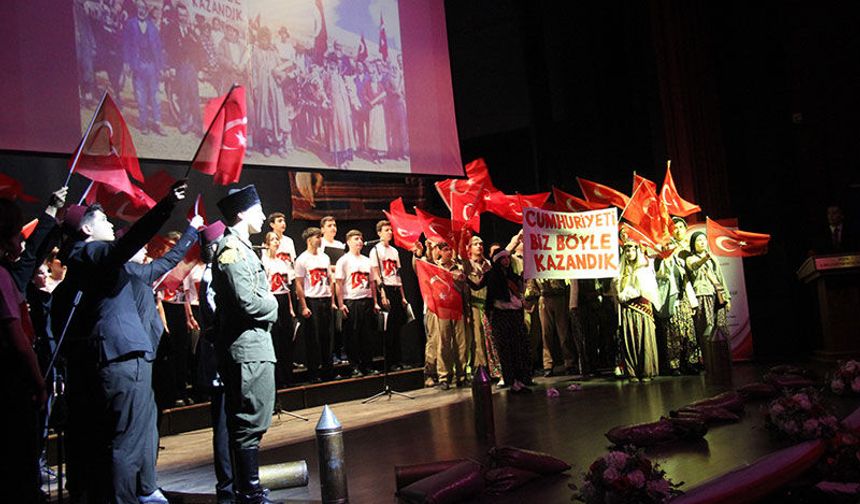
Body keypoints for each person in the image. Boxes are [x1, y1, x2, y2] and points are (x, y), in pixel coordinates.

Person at [51, 180, 187, 503]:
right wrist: (165, 206)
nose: (111, 224)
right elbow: (125, 247)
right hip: (123, 359)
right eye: (103, 221)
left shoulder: (86, 263)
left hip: (114, 358)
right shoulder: (92, 253)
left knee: (125, 439)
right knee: (125, 443)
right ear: (85, 229)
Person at [125, 213, 202, 503]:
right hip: (140, 357)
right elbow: (169, 262)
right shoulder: (132, 271)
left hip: (152, 353)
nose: (148, 249)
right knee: (135, 429)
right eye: (142, 246)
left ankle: (147, 482)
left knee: (149, 423)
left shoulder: (139, 271)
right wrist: (191, 230)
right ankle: (133, 490)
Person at [211, 185, 278, 503]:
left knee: (255, 417)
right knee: (249, 419)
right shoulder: (232, 250)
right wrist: (274, 305)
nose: (264, 216)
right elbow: (247, 303)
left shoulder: (243, 248)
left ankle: (249, 489)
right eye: (258, 209)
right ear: (241, 213)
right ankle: (248, 492)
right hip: (247, 347)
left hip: (254, 345)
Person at [0, 197, 48, 502]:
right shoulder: (2, 276)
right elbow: (15, 335)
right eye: (18, 233)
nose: (21, 240)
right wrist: (38, 382)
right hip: (10, 383)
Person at [196, 221, 234, 504]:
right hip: (220, 359)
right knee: (223, 423)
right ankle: (228, 485)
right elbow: (219, 317)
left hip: (226, 356)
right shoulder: (212, 276)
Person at [655, 217, 700, 375]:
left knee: (689, 331)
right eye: (675, 227)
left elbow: (688, 276)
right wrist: (664, 256)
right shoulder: (663, 255)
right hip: (671, 297)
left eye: (681, 226)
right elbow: (659, 274)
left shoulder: (686, 252)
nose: (678, 229)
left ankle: (691, 362)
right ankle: (675, 364)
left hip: (685, 297)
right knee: (673, 333)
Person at [483, 248, 532, 393]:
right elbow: (479, 286)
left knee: (519, 348)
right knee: (506, 350)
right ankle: (511, 381)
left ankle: (522, 379)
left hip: (515, 315)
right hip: (501, 315)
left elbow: (520, 293)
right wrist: (464, 279)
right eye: (503, 258)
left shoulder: (513, 276)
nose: (506, 261)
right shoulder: (492, 276)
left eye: (507, 258)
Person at [614, 240, 661, 382]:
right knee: (629, 339)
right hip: (627, 310)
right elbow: (616, 290)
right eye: (627, 250)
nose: (629, 253)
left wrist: (623, 295)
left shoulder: (643, 269)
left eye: (632, 250)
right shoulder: (620, 270)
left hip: (641, 308)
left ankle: (646, 370)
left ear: (637, 251)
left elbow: (642, 290)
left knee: (643, 338)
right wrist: (616, 287)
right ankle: (632, 371)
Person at [335, 230, 380, 376]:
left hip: (366, 301)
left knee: (367, 335)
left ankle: (367, 365)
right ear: (348, 242)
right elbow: (339, 284)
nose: (360, 241)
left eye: (361, 239)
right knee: (352, 336)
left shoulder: (367, 260)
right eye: (356, 239)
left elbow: (372, 284)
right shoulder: (344, 260)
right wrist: (341, 304)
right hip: (352, 302)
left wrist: (375, 302)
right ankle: (354, 366)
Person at [294, 227, 336, 383]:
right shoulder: (302, 259)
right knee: (313, 339)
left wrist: (332, 301)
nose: (319, 239)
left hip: (325, 299)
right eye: (317, 237)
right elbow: (298, 284)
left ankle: (328, 371)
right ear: (309, 239)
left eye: (320, 236)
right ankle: (313, 373)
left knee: (327, 337)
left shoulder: (325, 257)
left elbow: (330, 279)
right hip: (312, 300)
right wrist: (304, 305)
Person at [369, 220, 408, 371]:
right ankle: (390, 362)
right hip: (385, 289)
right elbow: (376, 275)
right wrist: (382, 294)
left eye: (390, 230)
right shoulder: (376, 251)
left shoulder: (394, 251)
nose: (390, 233)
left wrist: (403, 296)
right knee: (388, 328)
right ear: (379, 233)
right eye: (386, 230)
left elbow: (398, 276)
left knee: (397, 326)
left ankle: (398, 360)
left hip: (396, 288)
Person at [686, 231, 731, 360]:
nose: (702, 242)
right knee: (707, 328)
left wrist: (727, 297)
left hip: (717, 294)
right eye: (698, 240)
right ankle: (709, 360)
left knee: (720, 327)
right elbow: (694, 267)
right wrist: (705, 258)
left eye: (703, 240)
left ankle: (721, 358)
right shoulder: (690, 258)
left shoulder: (713, 258)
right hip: (703, 294)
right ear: (693, 245)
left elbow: (720, 278)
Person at [123, 0, 166, 135]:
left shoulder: (152, 26)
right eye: (140, 7)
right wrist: (126, 62)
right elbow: (126, 44)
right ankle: (143, 123)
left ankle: (157, 123)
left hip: (152, 66)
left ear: (147, 10)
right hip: (138, 65)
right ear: (137, 8)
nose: (142, 10)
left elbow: (158, 48)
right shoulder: (130, 24)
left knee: (155, 96)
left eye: (144, 8)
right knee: (141, 95)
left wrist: (161, 66)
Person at [261, 231, 295, 387]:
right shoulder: (264, 262)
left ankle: (288, 376)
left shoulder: (282, 263)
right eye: (272, 239)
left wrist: (290, 308)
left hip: (282, 299)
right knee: (275, 339)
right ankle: (277, 378)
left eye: (277, 239)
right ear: (266, 244)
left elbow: (287, 288)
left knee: (286, 338)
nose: (276, 242)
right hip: (271, 299)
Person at [163, 2, 202, 134]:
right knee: (183, 95)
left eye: (184, 15)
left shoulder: (191, 30)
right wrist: (171, 67)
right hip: (179, 66)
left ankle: (197, 123)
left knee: (195, 96)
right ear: (177, 15)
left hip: (191, 66)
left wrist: (197, 67)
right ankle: (184, 122)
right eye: (180, 15)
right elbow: (169, 50)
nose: (182, 17)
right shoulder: (171, 30)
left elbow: (198, 49)